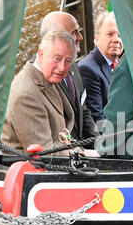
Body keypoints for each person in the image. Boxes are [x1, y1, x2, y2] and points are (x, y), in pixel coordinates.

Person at [1, 30, 78, 156]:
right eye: (57, 59)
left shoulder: (47, 77)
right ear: (41, 54)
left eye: (68, 61)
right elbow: (44, 155)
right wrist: (81, 154)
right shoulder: (26, 95)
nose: (62, 68)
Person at [40, 11, 98, 146]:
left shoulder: (72, 65)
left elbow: (83, 111)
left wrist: (99, 145)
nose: (80, 37)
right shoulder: (41, 76)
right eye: (74, 33)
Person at [78, 12, 123, 123]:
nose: (116, 39)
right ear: (96, 39)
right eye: (110, 34)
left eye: (120, 35)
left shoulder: (122, 63)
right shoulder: (87, 69)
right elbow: (97, 119)